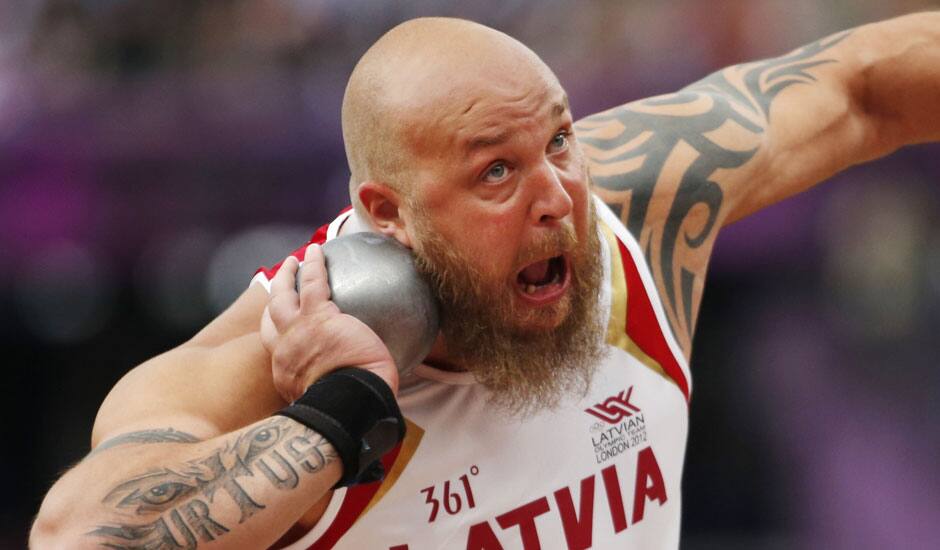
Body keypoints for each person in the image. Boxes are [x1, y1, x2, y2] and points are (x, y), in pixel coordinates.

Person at [31, 13, 940, 550]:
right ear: (388, 211)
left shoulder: (632, 210)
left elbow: (860, 88)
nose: (557, 200)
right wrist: (339, 416)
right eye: (494, 173)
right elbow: (75, 537)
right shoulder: (279, 348)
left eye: (557, 141)